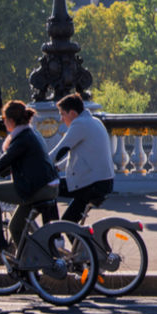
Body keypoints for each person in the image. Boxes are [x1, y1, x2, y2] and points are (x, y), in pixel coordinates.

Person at [0, 101, 59, 255]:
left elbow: (3, 162)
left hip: (36, 188)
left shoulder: (22, 138)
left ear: (11, 121)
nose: (3, 121)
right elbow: (11, 163)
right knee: (15, 227)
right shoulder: (29, 133)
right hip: (45, 186)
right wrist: (0, 171)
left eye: (4, 118)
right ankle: (26, 267)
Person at [50, 94, 115, 222]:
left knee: (48, 189)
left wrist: (39, 165)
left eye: (63, 114)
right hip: (103, 182)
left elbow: (60, 150)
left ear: (73, 113)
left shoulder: (79, 124)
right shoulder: (94, 121)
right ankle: (76, 240)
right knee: (69, 223)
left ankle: (53, 235)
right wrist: (58, 167)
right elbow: (75, 153)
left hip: (91, 184)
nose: (61, 119)